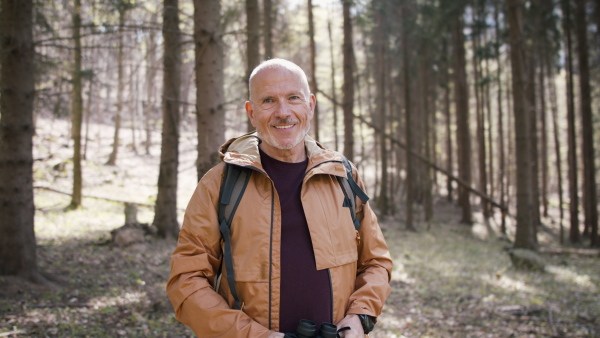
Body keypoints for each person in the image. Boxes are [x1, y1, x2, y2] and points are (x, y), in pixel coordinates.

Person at [167, 58, 393, 337]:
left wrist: (360, 317)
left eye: (293, 98)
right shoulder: (220, 183)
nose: (283, 112)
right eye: (268, 101)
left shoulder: (342, 176)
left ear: (310, 105)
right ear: (251, 112)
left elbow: (376, 262)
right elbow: (186, 281)